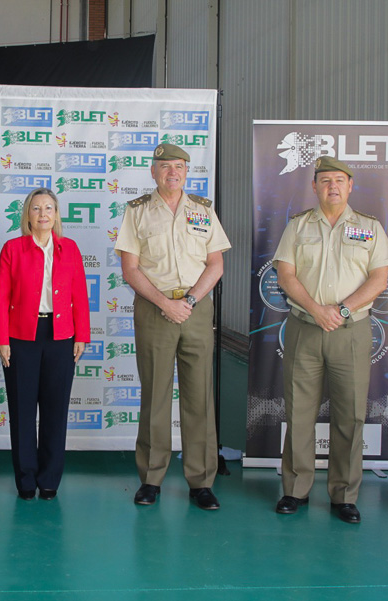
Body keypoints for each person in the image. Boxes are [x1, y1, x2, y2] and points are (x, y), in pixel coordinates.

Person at [272, 155, 388, 524]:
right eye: (325, 180)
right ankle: (295, 490)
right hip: (305, 328)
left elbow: (379, 279)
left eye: (339, 180)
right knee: (299, 412)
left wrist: (340, 310)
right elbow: (286, 275)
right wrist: (316, 309)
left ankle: (344, 494)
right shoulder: (297, 226)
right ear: (314, 186)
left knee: (351, 414)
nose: (332, 186)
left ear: (350, 185)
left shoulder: (369, 227)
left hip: (352, 332)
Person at [114, 143, 231, 509]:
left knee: (199, 397)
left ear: (186, 171)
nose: (172, 173)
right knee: (155, 396)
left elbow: (216, 264)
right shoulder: (137, 212)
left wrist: (190, 302)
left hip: (195, 308)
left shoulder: (203, 211)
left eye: (178, 166)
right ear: (153, 171)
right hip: (154, 308)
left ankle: (201, 481)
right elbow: (130, 269)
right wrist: (166, 303)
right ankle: (151, 479)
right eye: (165, 167)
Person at [0, 188, 90, 501]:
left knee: (55, 410)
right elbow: (1, 297)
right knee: (21, 410)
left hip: (61, 336)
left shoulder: (70, 249)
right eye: (36, 208)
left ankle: (49, 480)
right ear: (28, 215)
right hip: (22, 337)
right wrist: (2, 340)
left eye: (49, 207)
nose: (43, 214)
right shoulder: (13, 249)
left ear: (57, 214)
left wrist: (82, 335)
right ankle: (25, 481)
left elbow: (80, 296)